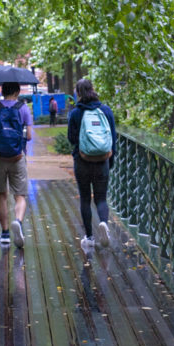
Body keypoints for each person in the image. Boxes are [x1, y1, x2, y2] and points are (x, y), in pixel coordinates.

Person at [67, 78, 116, 253]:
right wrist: (110, 160)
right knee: (101, 198)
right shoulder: (106, 111)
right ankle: (103, 222)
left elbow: (72, 139)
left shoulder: (75, 113)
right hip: (102, 160)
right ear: (93, 90)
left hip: (82, 161)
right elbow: (113, 138)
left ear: (78, 93)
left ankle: (89, 237)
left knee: (85, 198)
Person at [0, 82, 33, 248]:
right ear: (17, 91)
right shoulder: (23, 108)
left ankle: (5, 234)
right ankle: (17, 221)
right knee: (20, 196)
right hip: (17, 158)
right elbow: (30, 136)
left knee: (2, 195)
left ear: (2, 91)